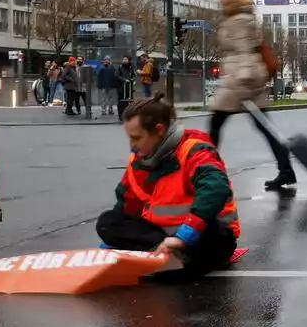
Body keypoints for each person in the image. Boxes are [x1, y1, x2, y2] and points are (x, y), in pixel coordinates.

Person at [97, 94, 240, 277]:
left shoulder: (194, 150)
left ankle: (174, 258)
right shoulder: (139, 160)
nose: (132, 146)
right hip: (164, 235)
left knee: (207, 236)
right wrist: (112, 243)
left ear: (159, 130)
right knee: (107, 222)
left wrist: (183, 237)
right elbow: (126, 208)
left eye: (136, 137)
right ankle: (170, 257)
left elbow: (215, 188)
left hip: (206, 234)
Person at [206, 0, 299, 193]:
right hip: (245, 77)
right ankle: (286, 170)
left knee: (215, 124)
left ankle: (206, 172)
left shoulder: (238, 20)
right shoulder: (243, 18)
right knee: (264, 127)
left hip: (240, 79)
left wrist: (244, 80)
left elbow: (244, 52)